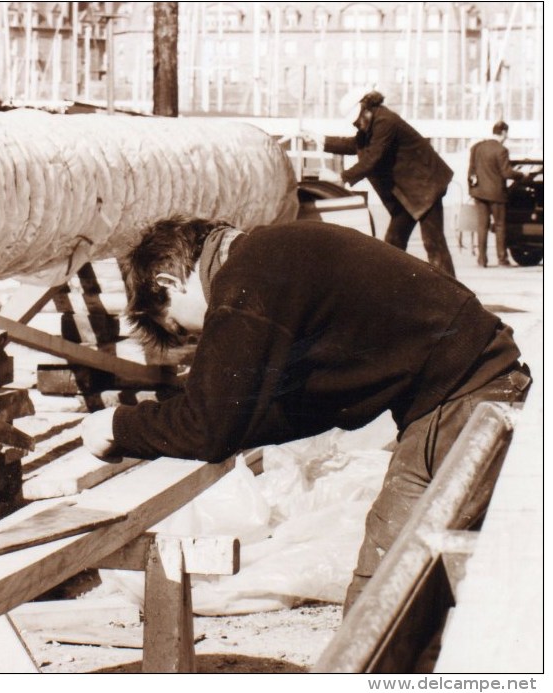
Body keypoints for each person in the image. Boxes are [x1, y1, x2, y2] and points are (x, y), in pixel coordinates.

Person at [80, 216, 530, 613]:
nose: (199, 335)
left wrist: (118, 428)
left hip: (464, 403)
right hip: (476, 390)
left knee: (385, 600)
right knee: (410, 590)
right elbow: (301, 408)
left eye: (180, 325)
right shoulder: (276, 254)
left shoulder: (246, 281)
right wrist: (233, 419)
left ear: (168, 282)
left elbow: (208, 427)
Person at [307, 91, 457, 277]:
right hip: (408, 193)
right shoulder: (371, 125)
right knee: (393, 242)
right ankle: (391, 289)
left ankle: (452, 295)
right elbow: (357, 144)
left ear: (366, 108)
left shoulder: (386, 122)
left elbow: (373, 158)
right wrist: (322, 140)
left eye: (356, 120)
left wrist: (341, 178)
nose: (356, 124)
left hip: (425, 187)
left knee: (434, 243)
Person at [468, 121, 525, 267]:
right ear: (504, 133)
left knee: (482, 226)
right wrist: (521, 175)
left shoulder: (477, 147)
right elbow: (506, 173)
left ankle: (482, 260)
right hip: (496, 195)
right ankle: (502, 259)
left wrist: (472, 190)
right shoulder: (501, 150)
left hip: (479, 193)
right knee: (500, 226)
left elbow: (471, 170)